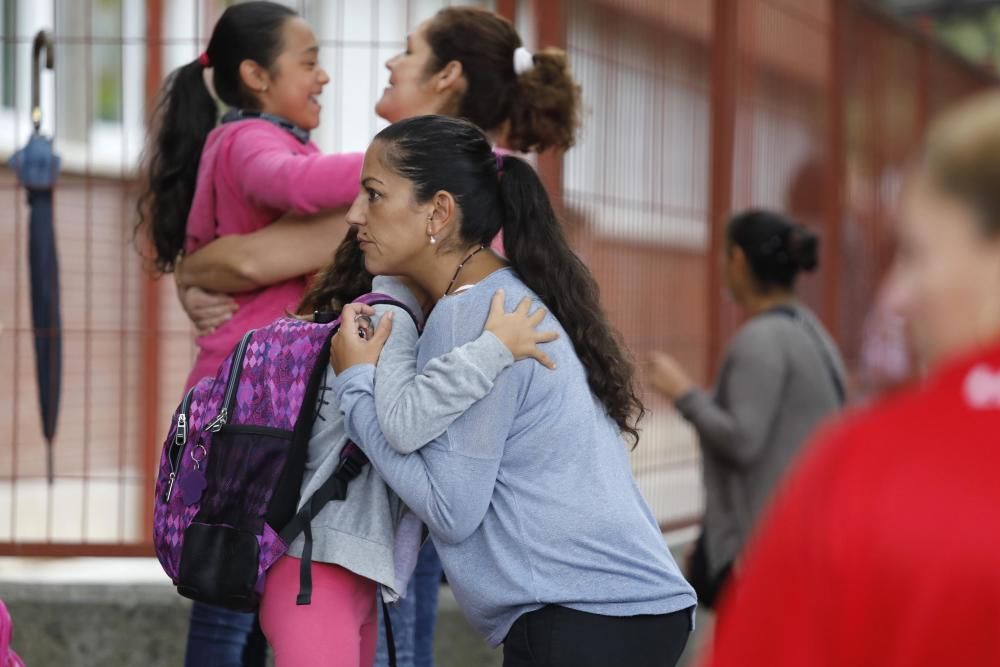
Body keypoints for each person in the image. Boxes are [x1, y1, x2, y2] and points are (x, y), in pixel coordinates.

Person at [176, 8, 582, 665]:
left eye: (407, 51)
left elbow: (249, 260)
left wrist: (193, 267)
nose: (390, 63)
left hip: (382, 473)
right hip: (370, 474)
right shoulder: (442, 196)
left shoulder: (433, 201)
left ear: (447, 77)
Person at [329, 115, 696, 667]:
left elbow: (451, 509)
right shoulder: (498, 295)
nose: (355, 214)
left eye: (375, 194)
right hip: (615, 613)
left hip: (583, 618)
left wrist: (355, 387)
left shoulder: (470, 315)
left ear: (439, 211)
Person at [704, 92, 1000, 666]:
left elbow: (741, 438)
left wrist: (687, 398)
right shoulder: (818, 338)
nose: (897, 295)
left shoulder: (872, 467)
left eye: (915, 253)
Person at [134, 2, 363, 664]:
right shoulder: (247, 142)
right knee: (228, 589)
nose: (323, 77)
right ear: (256, 75)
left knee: (255, 590)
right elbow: (290, 185)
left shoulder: (257, 137)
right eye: (310, 62)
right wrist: (391, 158)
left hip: (261, 400)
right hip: (248, 406)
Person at [257, 231, 557, 667]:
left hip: (340, 577)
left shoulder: (381, 322)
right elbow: (409, 418)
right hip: (316, 573)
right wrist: (495, 348)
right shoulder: (381, 320)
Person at [647, 209, 846, 608]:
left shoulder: (762, 338)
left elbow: (742, 441)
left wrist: (683, 392)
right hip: (806, 535)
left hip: (765, 549)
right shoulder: (812, 330)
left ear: (737, 260)